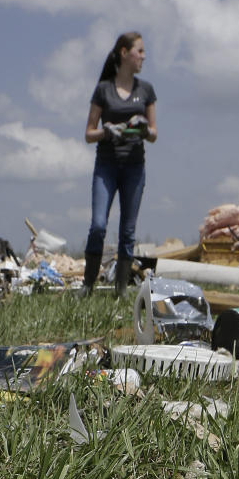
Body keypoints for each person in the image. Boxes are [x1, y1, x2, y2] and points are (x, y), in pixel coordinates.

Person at [82, 31, 157, 297]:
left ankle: (121, 289)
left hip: (134, 167)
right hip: (107, 166)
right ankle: (87, 285)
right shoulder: (103, 89)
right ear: (124, 53)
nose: (143, 57)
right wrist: (107, 131)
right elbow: (89, 133)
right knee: (99, 225)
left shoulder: (145, 90)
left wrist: (144, 128)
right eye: (140, 51)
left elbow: (155, 134)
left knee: (128, 229)